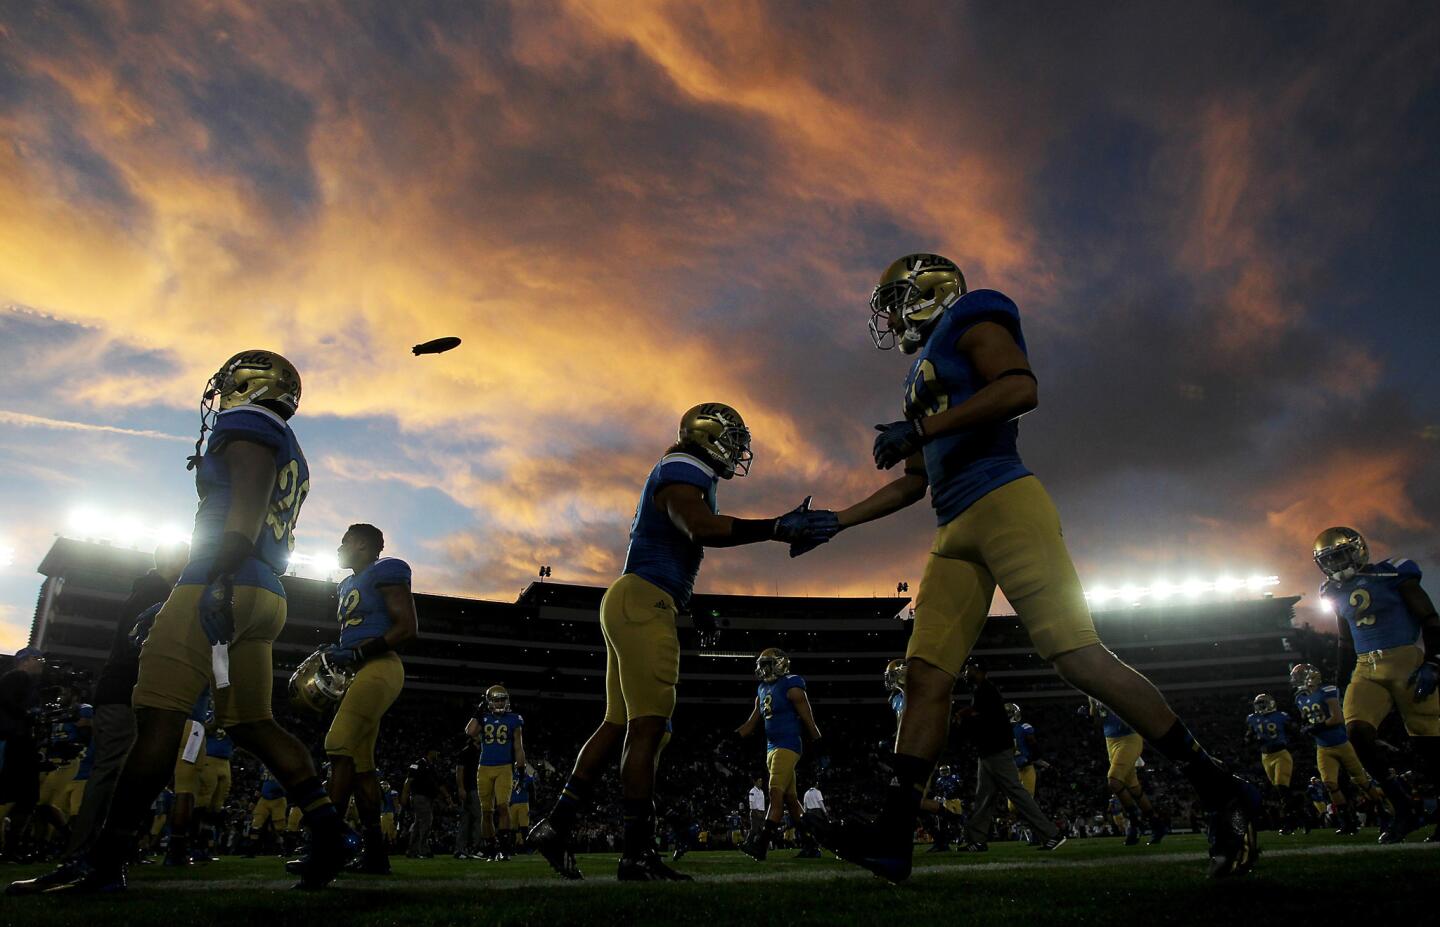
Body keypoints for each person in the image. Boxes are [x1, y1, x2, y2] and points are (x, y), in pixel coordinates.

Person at [806, 255, 1253, 881]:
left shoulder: (971, 315)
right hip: (952, 525)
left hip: (1005, 501)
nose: (887, 316)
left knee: (1076, 656)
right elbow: (914, 482)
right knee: (924, 676)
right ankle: (894, 838)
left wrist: (923, 426)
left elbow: (1020, 388)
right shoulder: (919, 374)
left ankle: (1216, 785)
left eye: (893, 300)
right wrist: (838, 521)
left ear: (928, 293)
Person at [10, 350, 356, 896]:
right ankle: (329, 832)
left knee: (159, 716)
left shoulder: (246, 423)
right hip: (266, 588)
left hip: (222, 578)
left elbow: (246, 498)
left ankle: (102, 861)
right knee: (250, 722)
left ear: (249, 381)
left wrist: (216, 574)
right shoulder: (291, 445)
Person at [526, 403, 837, 881]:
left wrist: (691, 607)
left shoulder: (681, 473)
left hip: (638, 598)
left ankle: (557, 826)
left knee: (616, 724)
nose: (738, 450)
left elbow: (669, 547)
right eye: (732, 439)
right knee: (648, 730)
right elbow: (699, 528)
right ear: (707, 438)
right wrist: (774, 528)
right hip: (644, 602)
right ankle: (636, 853)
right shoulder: (685, 466)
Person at [1313, 527, 1440, 843]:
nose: (1335, 564)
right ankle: (1404, 810)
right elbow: (1344, 641)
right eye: (1328, 560)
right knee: (1357, 733)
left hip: (1405, 662)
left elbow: (1430, 618)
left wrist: (1434, 661)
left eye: (1340, 555)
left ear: (1357, 550)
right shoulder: (1331, 590)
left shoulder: (1392, 573)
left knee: (1431, 744)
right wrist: (1341, 683)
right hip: (1366, 667)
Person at [67, 543, 188, 857]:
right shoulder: (155, 595)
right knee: (113, 772)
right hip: (123, 691)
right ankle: (86, 850)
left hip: (122, 690)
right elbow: (141, 646)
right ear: (170, 560)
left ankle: (102, 847)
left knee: (118, 771)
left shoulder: (148, 591)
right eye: (184, 557)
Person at [321, 523, 417, 875]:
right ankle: (375, 853)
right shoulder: (346, 584)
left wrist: (359, 655)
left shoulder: (387, 569)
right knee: (362, 767)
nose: (339, 547)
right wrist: (341, 652)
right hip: (357, 673)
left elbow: (407, 627)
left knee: (337, 744)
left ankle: (325, 844)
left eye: (344, 541)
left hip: (380, 668)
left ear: (362, 545)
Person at [956, 663, 1063, 852]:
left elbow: (981, 719)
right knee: (984, 798)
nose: (966, 673)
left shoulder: (986, 690)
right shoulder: (982, 690)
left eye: (970, 669)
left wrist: (963, 716)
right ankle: (977, 840)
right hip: (988, 752)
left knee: (1016, 793)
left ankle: (1052, 834)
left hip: (996, 751)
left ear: (980, 671)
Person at [736, 648, 822, 861]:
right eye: (762, 664)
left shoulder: (792, 684)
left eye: (768, 664)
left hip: (788, 745)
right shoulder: (762, 689)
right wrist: (732, 739)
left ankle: (761, 845)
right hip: (771, 748)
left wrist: (818, 740)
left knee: (775, 796)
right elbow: (751, 723)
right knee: (791, 801)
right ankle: (812, 845)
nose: (764, 669)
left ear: (780, 664)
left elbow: (808, 717)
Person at [1290, 663, 1385, 835]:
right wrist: (1305, 727)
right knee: (1330, 784)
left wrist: (1318, 726)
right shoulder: (1300, 697)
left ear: (1311, 676)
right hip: (1323, 747)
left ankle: (1384, 814)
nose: (1296, 680)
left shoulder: (1327, 690)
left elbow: (1337, 718)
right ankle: (1347, 821)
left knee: (1361, 781)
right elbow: (1306, 720)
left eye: (1300, 675)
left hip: (1342, 744)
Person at [463, 686, 525, 860]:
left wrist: (520, 770)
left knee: (503, 807)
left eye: (502, 699)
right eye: (496, 699)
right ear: (489, 701)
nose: (499, 702)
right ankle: (490, 849)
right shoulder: (483, 717)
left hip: (504, 767)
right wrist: (478, 710)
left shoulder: (514, 719)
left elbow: (519, 748)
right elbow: (470, 731)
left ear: (507, 700)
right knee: (486, 812)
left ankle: (504, 849)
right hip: (484, 767)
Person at [0, 648, 47, 858]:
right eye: (38, 659)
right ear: (25, 660)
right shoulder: (17, 677)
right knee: (24, 794)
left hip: (16, 740)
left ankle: (11, 846)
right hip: (13, 740)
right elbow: (5, 701)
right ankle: (10, 846)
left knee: (23, 795)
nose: (41, 663)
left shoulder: (21, 681)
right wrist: (28, 715)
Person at [1245, 694, 1301, 834]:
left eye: (1263, 703)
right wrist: (1249, 738)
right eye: (1259, 703)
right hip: (1265, 757)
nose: (1261, 706)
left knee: (1282, 788)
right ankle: (1301, 816)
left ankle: (1289, 823)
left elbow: (1295, 731)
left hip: (1281, 754)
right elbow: (1249, 734)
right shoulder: (1252, 718)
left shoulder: (1281, 716)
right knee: (1278, 789)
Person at [453, 736, 481, 859]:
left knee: (468, 819)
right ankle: (473, 848)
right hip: (471, 789)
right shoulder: (467, 751)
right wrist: (461, 788)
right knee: (476, 819)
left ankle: (463, 849)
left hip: (476, 788)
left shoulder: (479, 750)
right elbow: (459, 771)